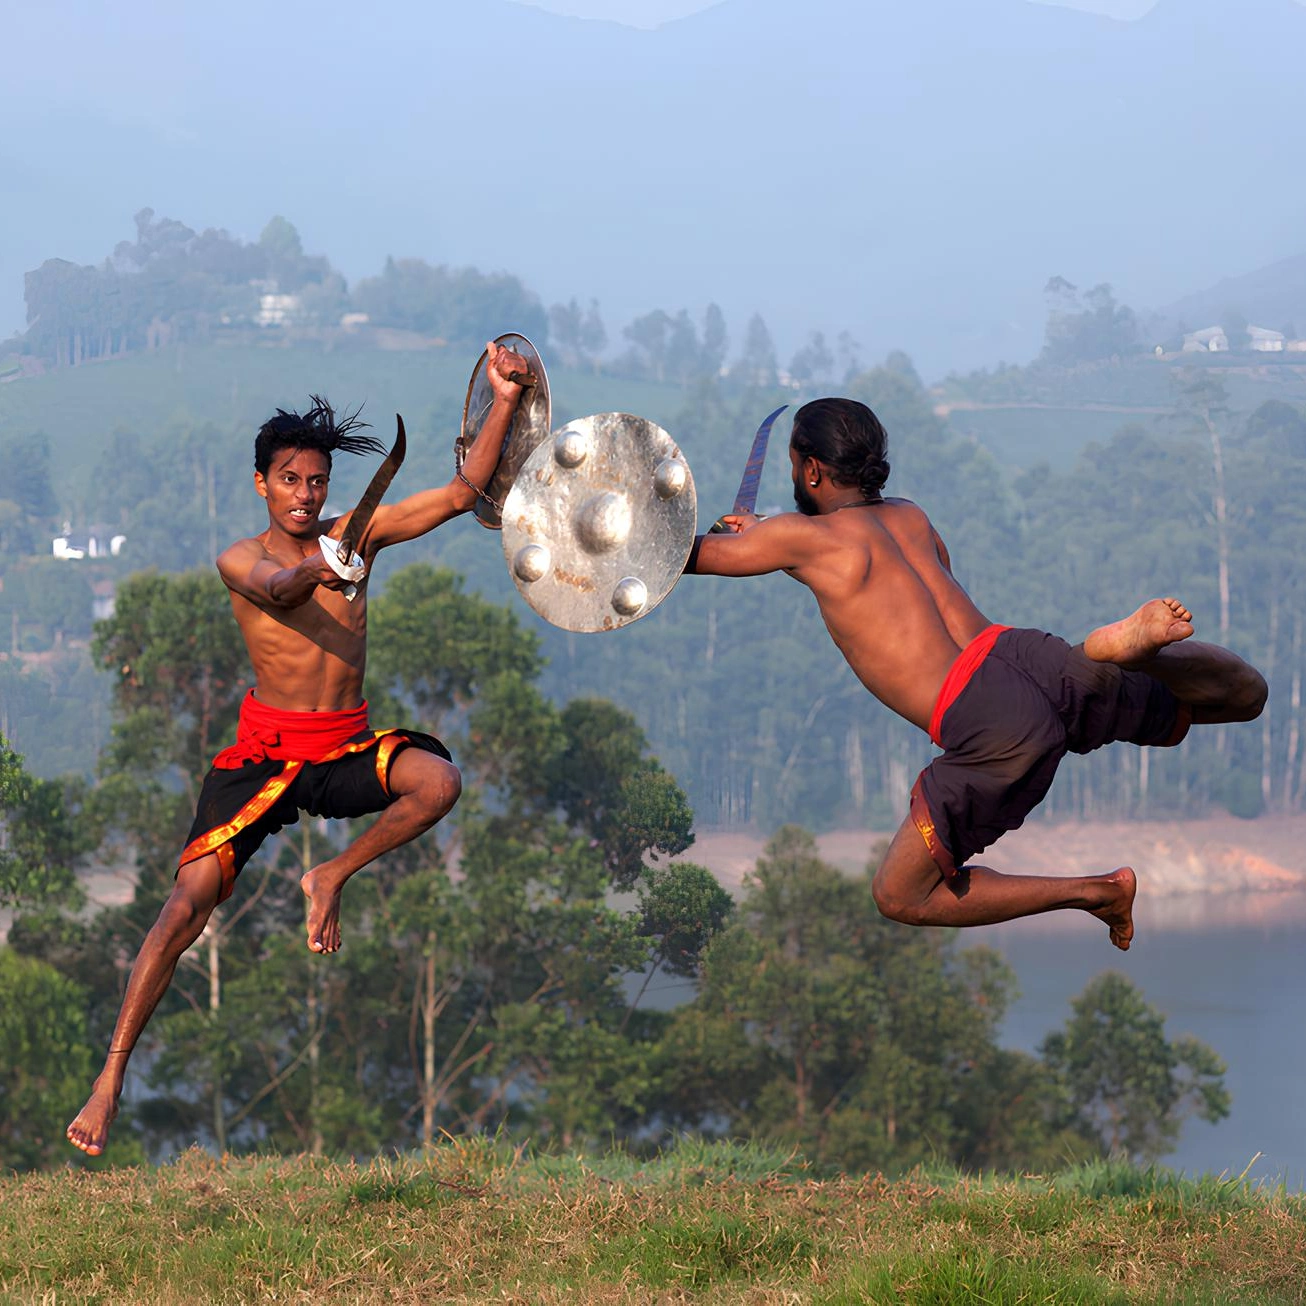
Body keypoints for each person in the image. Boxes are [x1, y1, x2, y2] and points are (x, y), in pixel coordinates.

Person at [66, 341, 531, 1157]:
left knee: (440, 782)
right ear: (262, 483)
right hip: (263, 759)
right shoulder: (241, 558)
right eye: (290, 480)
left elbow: (463, 492)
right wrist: (327, 565)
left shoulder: (362, 532)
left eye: (317, 482)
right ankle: (109, 1081)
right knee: (184, 907)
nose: (305, 495)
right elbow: (279, 588)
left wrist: (501, 400)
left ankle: (331, 874)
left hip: (343, 749)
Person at [685, 397, 1266, 949]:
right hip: (1023, 655)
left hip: (986, 717)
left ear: (812, 472)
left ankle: (1098, 892)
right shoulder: (910, 517)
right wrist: (774, 542)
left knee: (900, 894)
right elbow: (883, 584)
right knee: (1241, 699)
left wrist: (747, 536)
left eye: (793, 467)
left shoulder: (799, 537)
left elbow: (687, 557)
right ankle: (1140, 654)